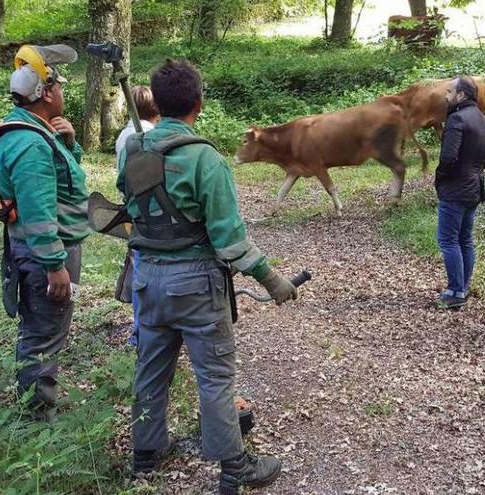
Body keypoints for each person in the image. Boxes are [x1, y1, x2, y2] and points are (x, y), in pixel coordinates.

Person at [117, 59, 297, 493]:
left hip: (146, 279)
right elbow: (229, 239)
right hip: (195, 283)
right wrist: (272, 279)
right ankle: (235, 467)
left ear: (156, 102)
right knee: (215, 377)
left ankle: (146, 454)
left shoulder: (132, 151)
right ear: (199, 102)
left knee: (151, 369)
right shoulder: (204, 158)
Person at [0, 44, 89, 421]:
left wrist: (69, 144)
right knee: (44, 336)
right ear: (45, 92)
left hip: (45, 250)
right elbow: (37, 210)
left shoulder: (36, 133)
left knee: (43, 329)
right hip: (45, 253)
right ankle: (36, 419)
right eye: (59, 85)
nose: (63, 91)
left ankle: (35, 405)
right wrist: (54, 264)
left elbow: (66, 180)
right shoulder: (30, 143)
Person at [434, 76, 485, 310]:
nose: (446, 96)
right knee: (465, 239)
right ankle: (462, 287)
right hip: (474, 187)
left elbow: (448, 157)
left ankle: (456, 291)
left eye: (450, 92)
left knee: (448, 240)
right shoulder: (483, 120)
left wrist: (441, 179)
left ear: (461, 96)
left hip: (455, 189)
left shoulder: (457, 119)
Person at [113, 85, 161, 347]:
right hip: (152, 213)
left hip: (132, 208)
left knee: (139, 266)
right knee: (148, 271)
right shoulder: (150, 134)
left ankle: (140, 331)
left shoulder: (124, 135)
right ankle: (142, 333)